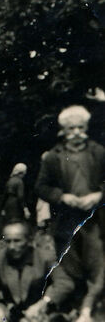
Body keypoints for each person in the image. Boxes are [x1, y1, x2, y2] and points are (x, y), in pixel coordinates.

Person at [35, 105, 105, 256]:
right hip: (66, 220)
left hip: (97, 218)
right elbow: (41, 187)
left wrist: (99, 195)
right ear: (63, 130)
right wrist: (62, 196)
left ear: (86, 127)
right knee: (69, 266)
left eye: (80, 127)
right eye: (71, 128)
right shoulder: (53, 156)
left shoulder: (99, 152)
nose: (76, 133)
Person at [0, 222, 54, 322]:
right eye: (8, 241)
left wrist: (43, 303)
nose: (12, 246)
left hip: (41, 309)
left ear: (29, 240)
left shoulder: (46, 257)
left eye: (17, 241)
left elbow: (62, 282)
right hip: (12, 311)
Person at [41, 226, 105, 322]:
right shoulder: (53, 243)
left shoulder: (91, 244)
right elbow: (95, 289)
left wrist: (86, 310)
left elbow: (97, 283)